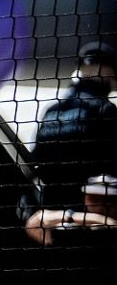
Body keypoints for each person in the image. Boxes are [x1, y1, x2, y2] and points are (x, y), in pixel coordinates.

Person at [29, 41, 117, 214]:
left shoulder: (51, 110)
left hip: (50, 212)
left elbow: (35, 160)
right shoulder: (105, 110)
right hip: (92, 215)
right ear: (107, 70)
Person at [25, 173, 117, 246]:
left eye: (108, 200)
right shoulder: (74, 227)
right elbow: (36, 222)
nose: (101, 204)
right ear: (85, 198)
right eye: (93, 198)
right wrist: (98, 218)